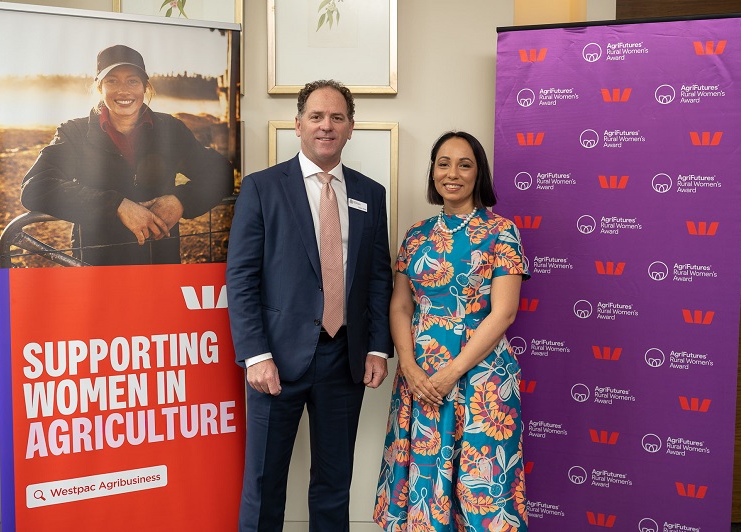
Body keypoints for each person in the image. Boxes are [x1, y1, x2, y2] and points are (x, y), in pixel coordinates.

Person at [226, 79, 393, 531]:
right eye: (316, 117)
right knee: (263, 484)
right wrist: (255, 355)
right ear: (298, 125)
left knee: (334, 484)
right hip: (275, 360)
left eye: (337, 117)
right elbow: (240, 278)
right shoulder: (263, 188)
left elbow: (379, 276)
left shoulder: (370, 194)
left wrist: (378, 346)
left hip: (345, 359)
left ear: (351, 128)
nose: (326, 126)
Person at [373, 131, 530, 531]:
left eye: (465, 164)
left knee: (484, 486)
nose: (452, 173)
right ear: (433, 172)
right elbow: (401, 304)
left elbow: (504, 313)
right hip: (421, 376)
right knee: (425, 484)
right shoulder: (416, 234)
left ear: (479, 174)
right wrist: (407, 365)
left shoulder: (502, 232)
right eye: (443, 163)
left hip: (482, 378)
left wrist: (451, 372)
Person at [20, 44, 232, 266]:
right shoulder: (75, 134)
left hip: (159, 263)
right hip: (96, 268)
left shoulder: (170, 130)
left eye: (133, 80)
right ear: (99, 87)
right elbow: (36, 186)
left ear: (145, 87)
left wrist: (180, 201)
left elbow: (221, 173)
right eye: (112, 80)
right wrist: (116, 205)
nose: (124, 90)